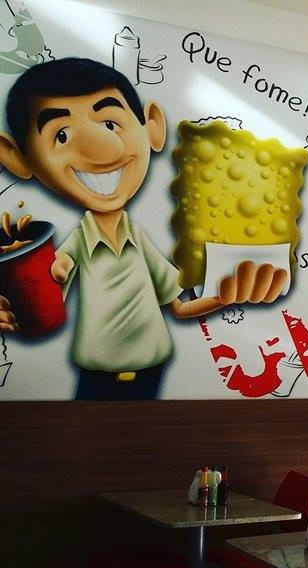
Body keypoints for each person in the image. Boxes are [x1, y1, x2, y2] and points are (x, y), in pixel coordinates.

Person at [0, 57, 286, 399]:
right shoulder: (75, 245)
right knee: (94, 432)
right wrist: (17, 306)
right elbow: (45, 304)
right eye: (62, 135)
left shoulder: (138, 240)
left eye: (110, 123)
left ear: (152, 127)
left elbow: (179, 306)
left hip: (153, 368)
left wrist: (224, 296)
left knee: (146, 432)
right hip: (96, 374)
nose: (102, 149)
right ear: (17, 157)